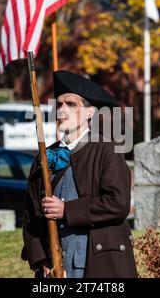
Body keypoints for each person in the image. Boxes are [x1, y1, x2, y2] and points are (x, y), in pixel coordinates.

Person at [21, 70, 137, 278]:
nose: (62, 109)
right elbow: (31, 215)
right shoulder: (45, 157)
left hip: (98, 263)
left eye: (71, 104)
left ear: (90, 113)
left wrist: (67, 209)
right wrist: (42, 261)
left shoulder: (107, 149)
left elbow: (118, 204)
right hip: (55, 268)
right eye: (59, 104)